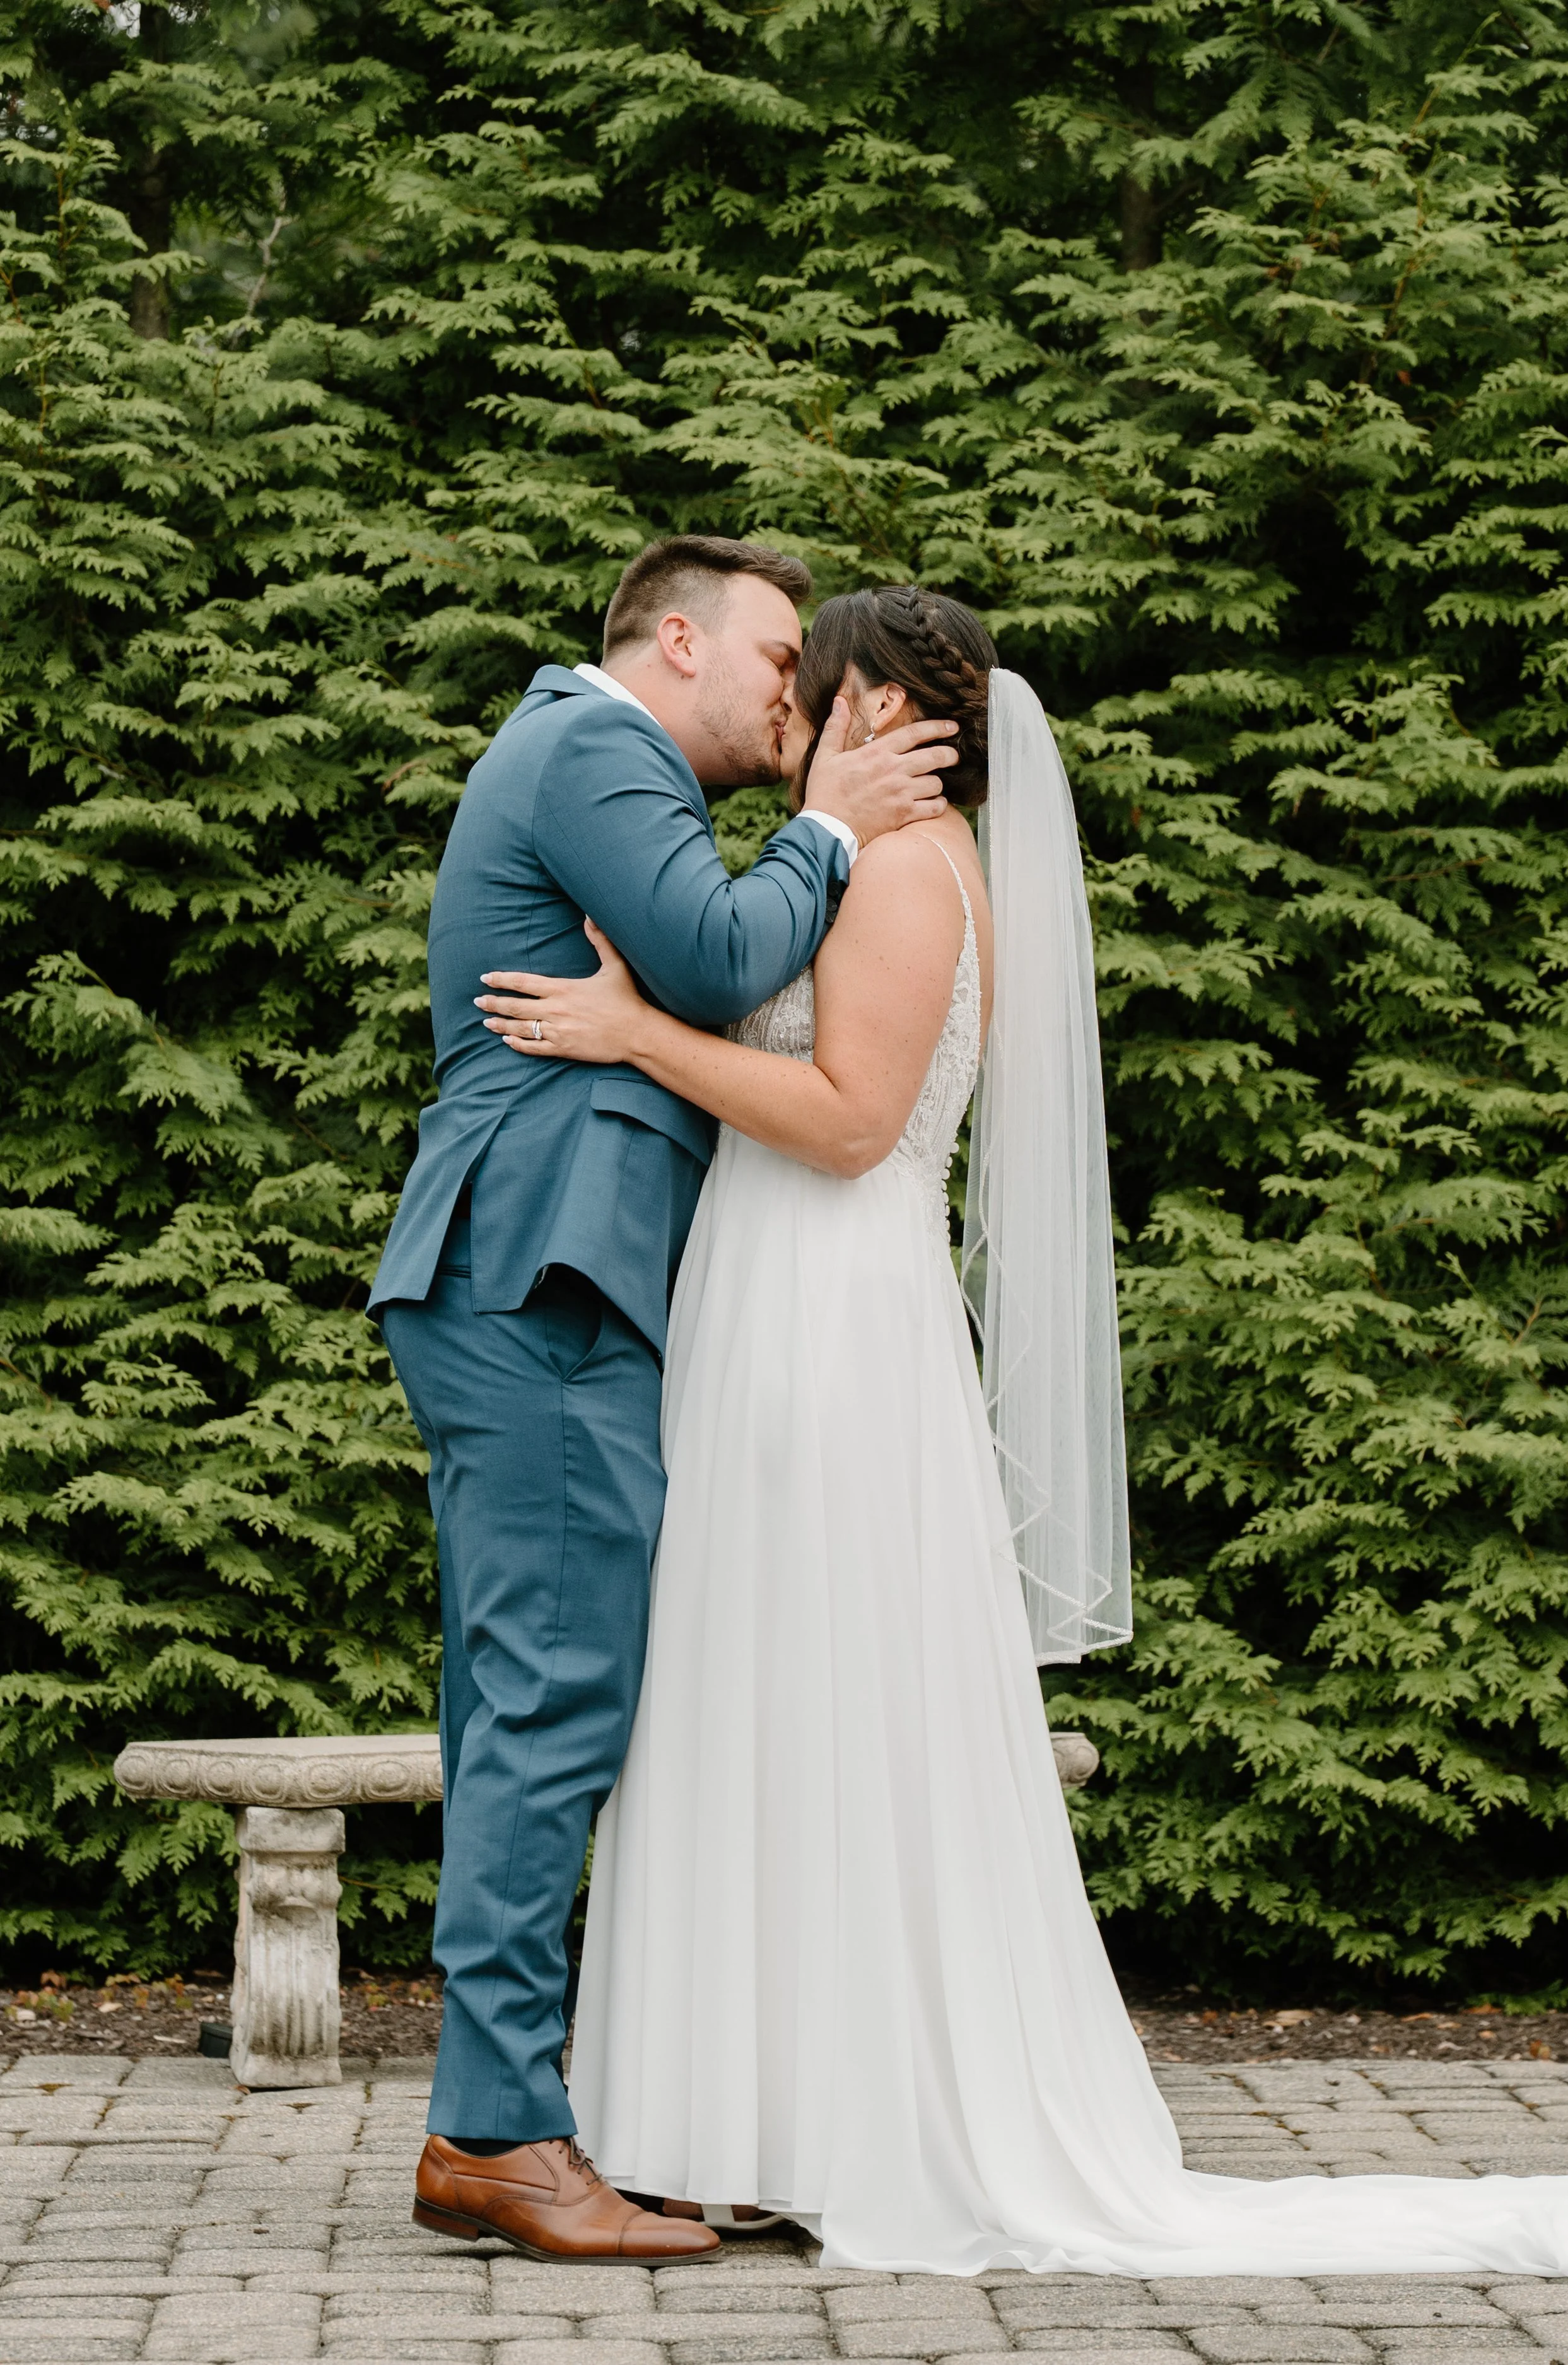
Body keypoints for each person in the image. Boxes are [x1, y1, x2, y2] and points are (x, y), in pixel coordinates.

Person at [476, 584, 1568, 2277]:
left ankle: (846, 2117)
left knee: (823, 1702)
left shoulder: (907, 872)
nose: (783, 721)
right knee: (760, 1697)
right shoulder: (849, 869)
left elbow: (847, 1124)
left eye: (804, 688)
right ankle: (760, 2116)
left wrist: (636, 1033)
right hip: (768, 1309)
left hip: (830, 1319)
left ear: (871, 715)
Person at [370, 537, 961, 2264]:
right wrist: (838, 823)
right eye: (776, 658)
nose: (794, 697)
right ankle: (496, 2131)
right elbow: (709, 960)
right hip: (540, 1269)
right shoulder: (591, 744)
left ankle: (488, 2117)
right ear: (677, 637)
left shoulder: (590, 761)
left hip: (545, 1271)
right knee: (552, 1695)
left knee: (524, 1696)